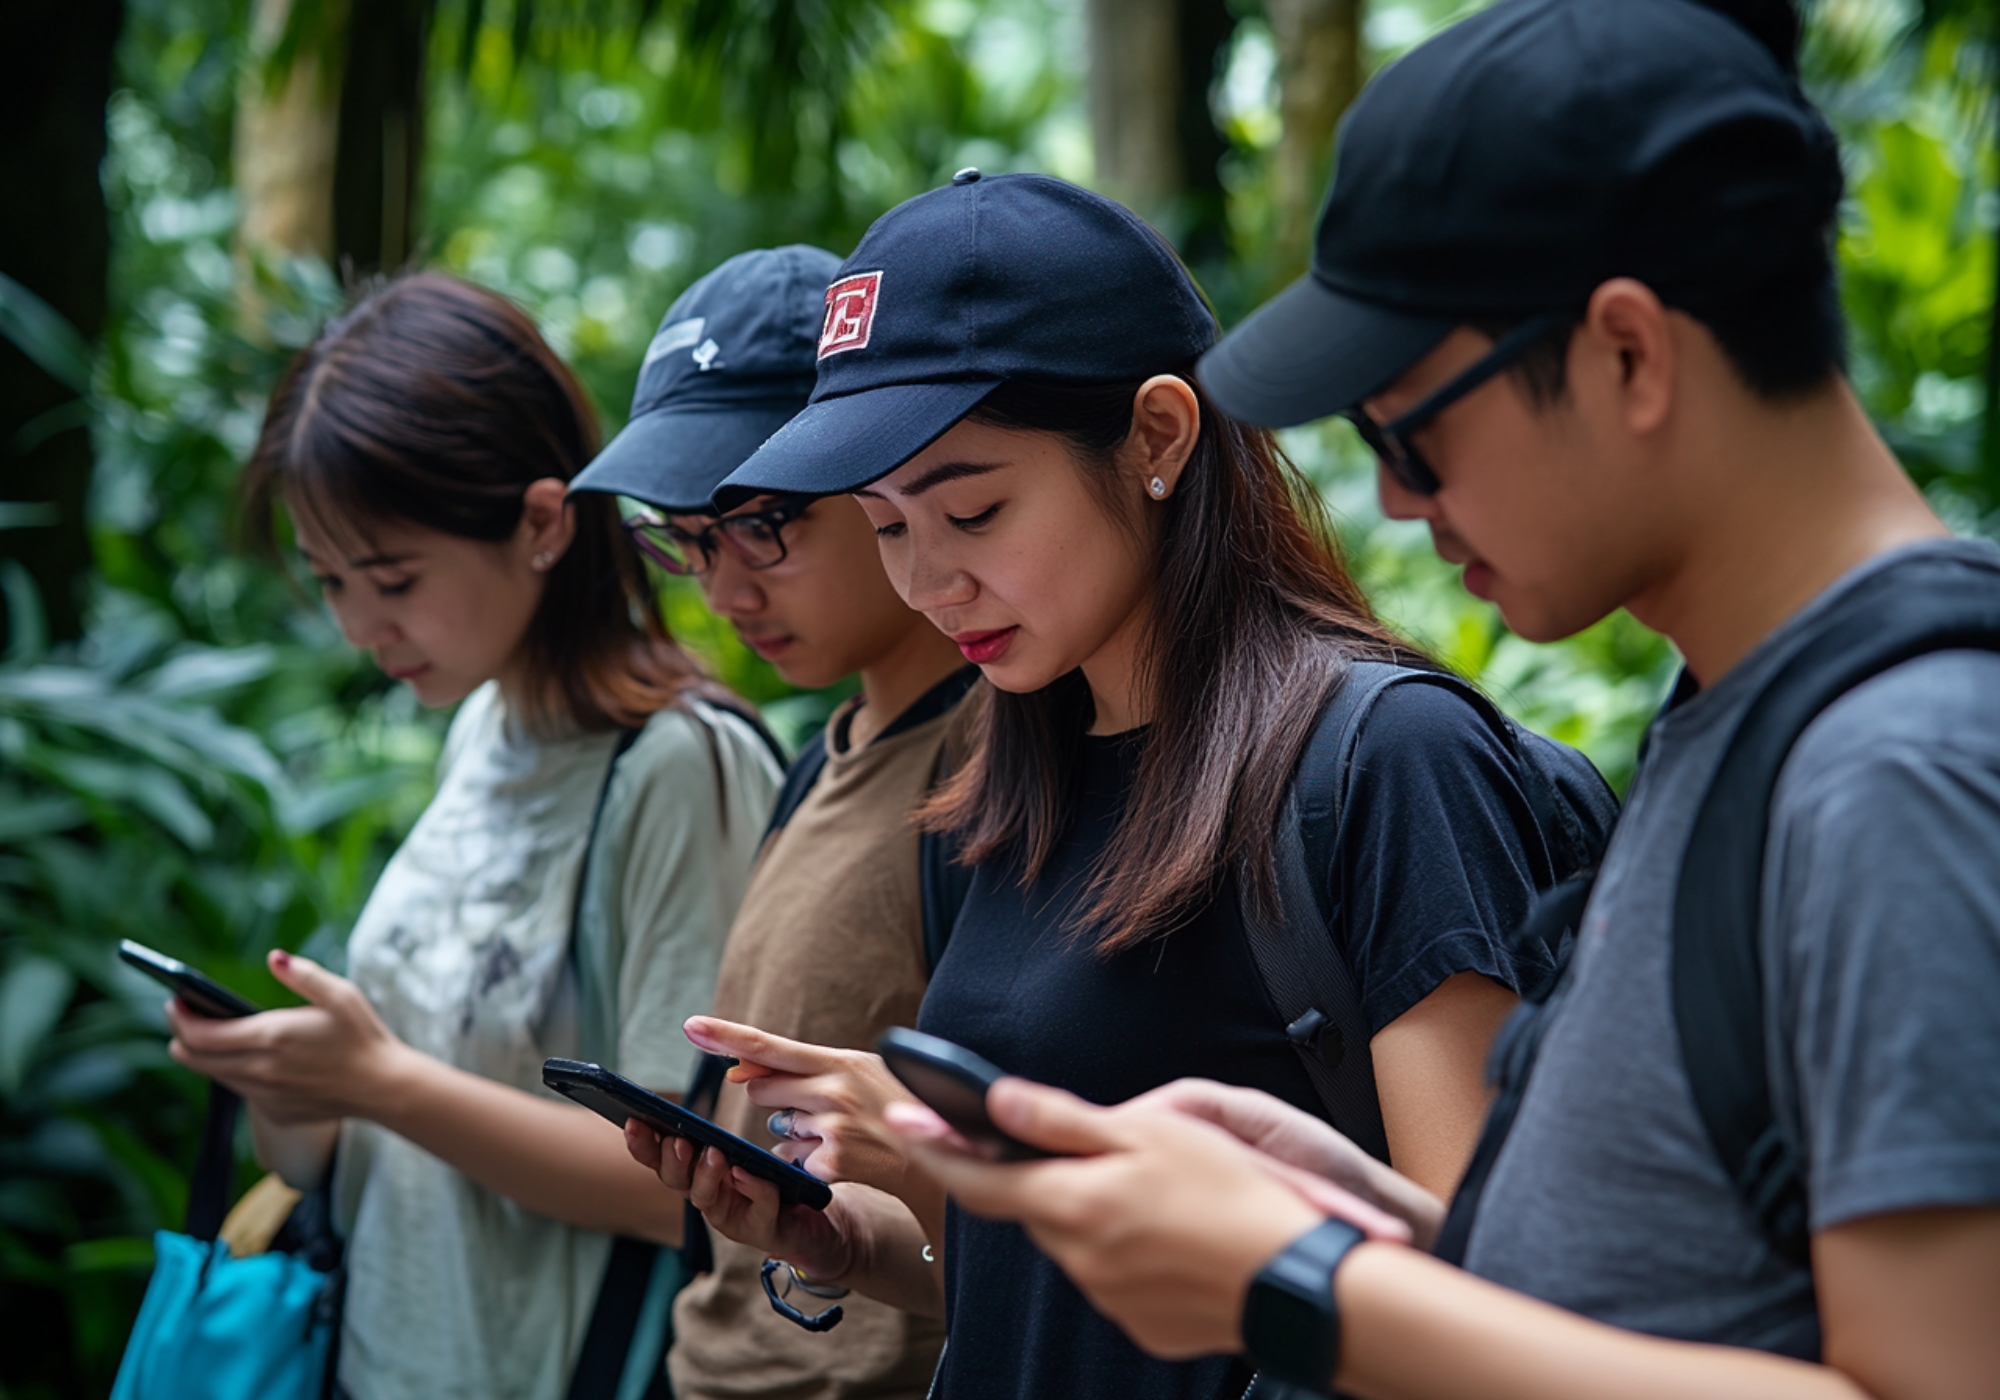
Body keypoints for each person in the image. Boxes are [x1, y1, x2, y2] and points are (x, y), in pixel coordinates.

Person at [878, 2, 2000, 1397]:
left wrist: (1308, 1292)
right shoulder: (1751, 721)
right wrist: (1357, 1225)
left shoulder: (1898, 766)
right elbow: (1676, 1301)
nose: (1398, 499)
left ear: (1628, 353)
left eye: (1409, 426)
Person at [641, 171, 1611, 1400]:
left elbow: (1483, 1301)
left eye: (972, 510)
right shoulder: (1006, 781)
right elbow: (1060, 1296)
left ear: (1157, 434)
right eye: (886, 526)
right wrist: (847, 1239)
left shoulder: (1384, 758)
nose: (928, 581)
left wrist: (970, 1149)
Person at [170, 272, 783, 1400]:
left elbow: (696, 1187)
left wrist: (382, 1080)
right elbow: (363, 1150)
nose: (361, 625)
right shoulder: (482, 728)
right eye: (332, 581)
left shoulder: (678, 767)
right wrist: (297, 1089)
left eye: (393, 578)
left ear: (544, 521)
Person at [568, 245, 971, 1400]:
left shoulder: (997, 765)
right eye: (688, 540)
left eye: (761, 525)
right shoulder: (817, 763)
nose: (725, 590)